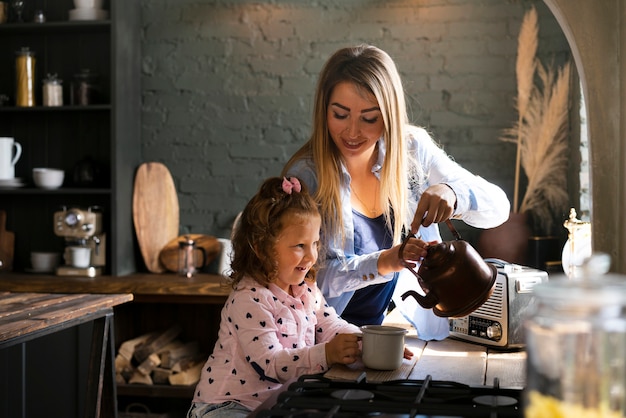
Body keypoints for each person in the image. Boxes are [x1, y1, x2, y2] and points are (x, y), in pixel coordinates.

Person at [282, 44, 510, 338]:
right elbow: (303, 280)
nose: (352, 132)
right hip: (324, 337)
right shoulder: (307, 177)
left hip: (396, 331)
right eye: (340, 115)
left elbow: (499, 209)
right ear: (323, 110)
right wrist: (386, 261)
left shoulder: (412, 150)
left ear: (389, 114)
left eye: (369, 118)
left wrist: (454, 194)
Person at [187, 176, 363, 417]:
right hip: (226, 406)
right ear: (261, 248)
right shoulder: (249, 298)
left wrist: (367, 341)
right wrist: (328, 353)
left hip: (278, 402)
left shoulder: (307, 289)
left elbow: (329, 324)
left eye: (315, 243)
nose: (311, 255)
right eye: (299, 246)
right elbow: (270, 364)